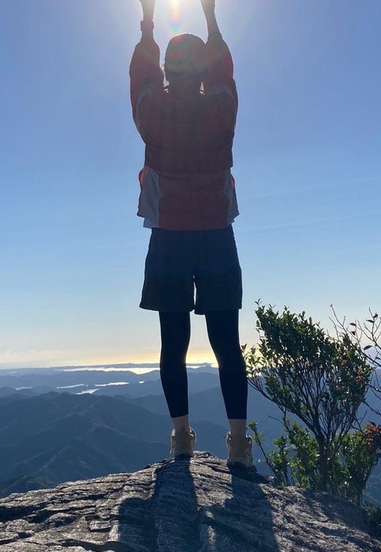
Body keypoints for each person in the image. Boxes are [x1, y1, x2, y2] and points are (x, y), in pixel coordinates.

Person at [130, 0, 253, 469]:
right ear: (202, 70)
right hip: (216, 236)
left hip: (169, 238)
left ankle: (181, 437)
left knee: (173, 342)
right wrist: (211, 17)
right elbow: (225, 68)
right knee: (226, 343)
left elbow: (140, 74)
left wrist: (148, 20)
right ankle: (238, 444)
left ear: (167, 70)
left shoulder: (152, 112)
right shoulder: (221, 108)